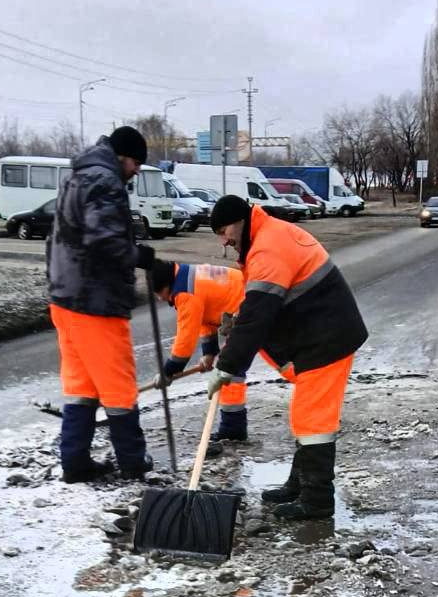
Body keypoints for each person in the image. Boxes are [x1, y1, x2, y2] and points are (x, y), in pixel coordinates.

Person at [206, 195, 367, 520]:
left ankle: (317, 501)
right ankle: (299, 485)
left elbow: (259, 314)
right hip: (320, 337)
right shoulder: (267, 237)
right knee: (305, 417)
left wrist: (226, 366)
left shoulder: (268, 247)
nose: (225, 240)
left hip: (327, 340)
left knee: (313, 421)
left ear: (240, 220)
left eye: (224, 231)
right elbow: (261, 308)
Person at [47, 126, 156, 483]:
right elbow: (104, 238)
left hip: (65, 296)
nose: (137, 171)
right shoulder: (105, 181)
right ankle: (133, 462)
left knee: (81, 386)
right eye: (136, 163)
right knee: (119, 385)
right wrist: (138, 255)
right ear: (123, 156)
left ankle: (75, 462)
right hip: (95, 300)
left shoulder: (78, 176)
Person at [150, 258, 249, 442]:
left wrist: (169, 371)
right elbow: (204, 317)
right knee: (230, 370)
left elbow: (185, 338)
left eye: (159, 293)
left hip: (248, 310)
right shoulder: (186, 276)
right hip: (242, 306)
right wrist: (209, 352)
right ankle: (233, 428)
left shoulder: (185, 292)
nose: (160, 298)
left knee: (230, 371)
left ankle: (233, 431)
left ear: (166, 286)